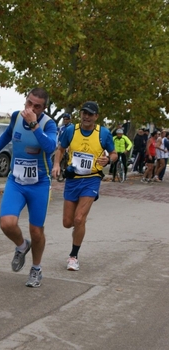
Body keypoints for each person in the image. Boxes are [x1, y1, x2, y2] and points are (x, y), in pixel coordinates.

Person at [0, 88, 57, 287]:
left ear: (44, 108)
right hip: (16, 181)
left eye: (37, 106)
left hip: (39, 183)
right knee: (7, 223)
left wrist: (34, 125)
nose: (30, 108)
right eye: (29, 103)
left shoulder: (48, 124)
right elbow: (7, 135)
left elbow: (50, 148)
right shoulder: (16, 117)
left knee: (36, 230)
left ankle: (36, 269)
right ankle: (22, 246)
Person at [52, 101, 117, 271]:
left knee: (79, 218)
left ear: (96, 116)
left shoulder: (103, 133)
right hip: (73, 179)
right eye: (84, 113)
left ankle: (73, 256)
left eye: (90, 114)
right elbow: (60, 149)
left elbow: (114, 153)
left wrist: (108, 159)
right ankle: (78, 225)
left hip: (92, 178)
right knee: (68, 222)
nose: (86, 117)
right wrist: (57, 164)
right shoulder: (70, 131)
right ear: (80, 114)